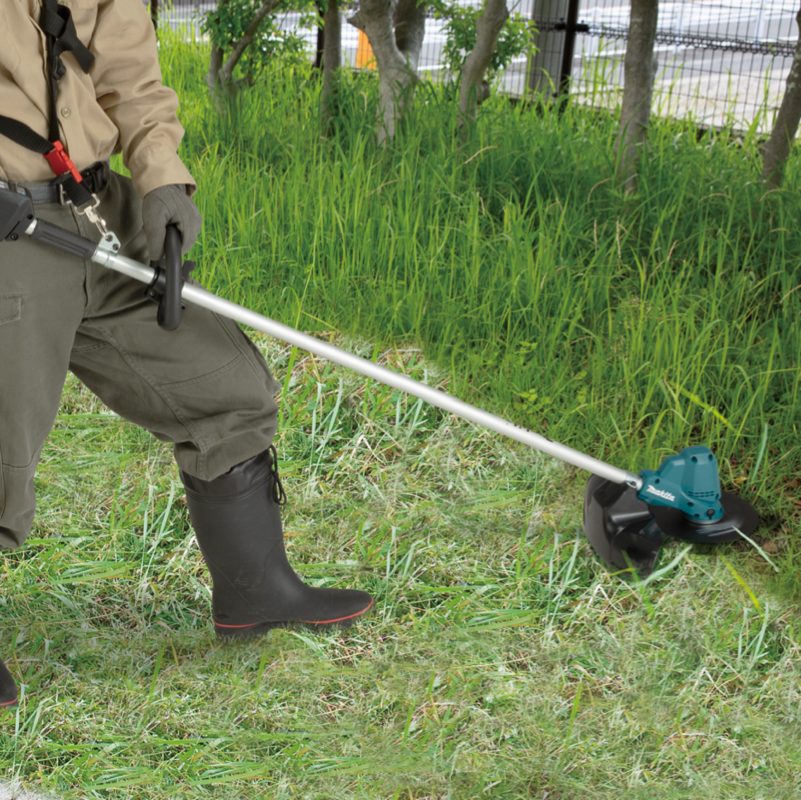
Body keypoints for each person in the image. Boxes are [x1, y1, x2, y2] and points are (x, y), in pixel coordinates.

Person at [0, 0, 374, 669]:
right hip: (8, 229)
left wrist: (162, 179)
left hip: (97, 207)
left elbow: (129, 71)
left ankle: (256, 591)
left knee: (225, 390)